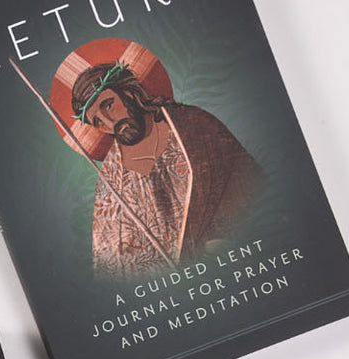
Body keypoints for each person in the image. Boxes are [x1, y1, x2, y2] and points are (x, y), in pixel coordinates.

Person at [62, 56, 262, 278]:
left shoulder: (193, 124)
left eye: (108, 105)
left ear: (128, 93)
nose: (109, 123)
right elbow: (111, 264)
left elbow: (246, 180)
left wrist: (220, 237)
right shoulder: (110, 182)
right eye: (98, 122)